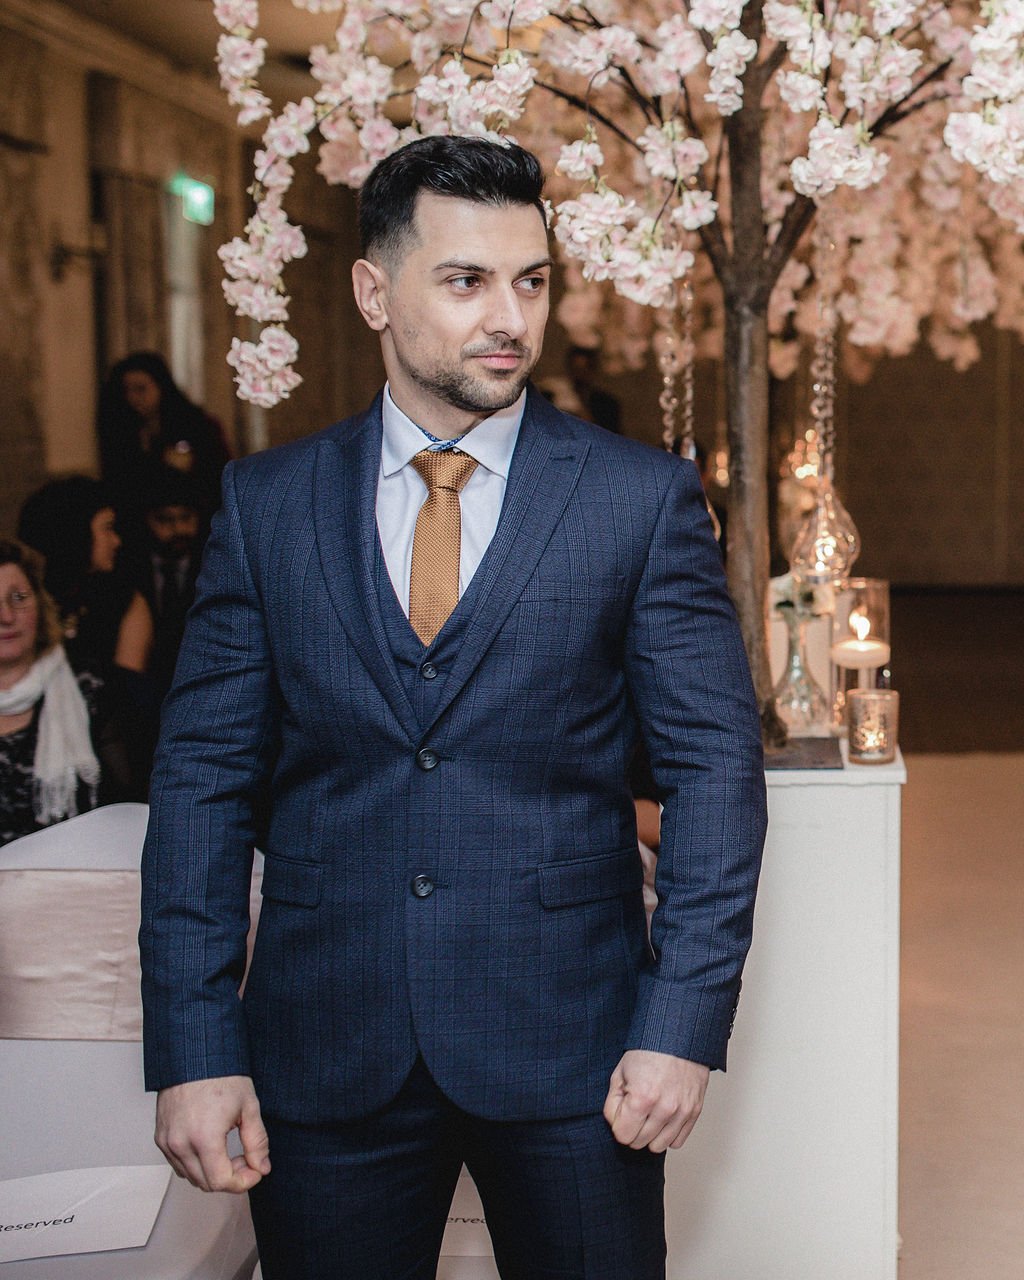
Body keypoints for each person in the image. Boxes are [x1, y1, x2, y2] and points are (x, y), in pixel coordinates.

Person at [140, 136, 767, 1280]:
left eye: (531, 279)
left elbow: (714, 768)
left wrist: (680, 1022)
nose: (511, 318)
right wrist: (193, 1044)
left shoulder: (638, 499)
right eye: (467, 279)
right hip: (324, 1041)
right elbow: (200, 781)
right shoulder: (265, 503)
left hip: (578, 1047)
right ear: (374, 290)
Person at [19, 477, 156, 799]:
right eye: (107, 528)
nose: (117, 540)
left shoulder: (123, 600)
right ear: (75, 533)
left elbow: (126, 698)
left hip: (106, 745)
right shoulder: (31, 603)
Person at [0, 539, 130, 847]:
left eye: (18, 598)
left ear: (41, 605)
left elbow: (129, 801)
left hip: (73, 879)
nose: (5, 616)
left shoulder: (90, 686)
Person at [97, 351, 230, 533]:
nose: (133, 398)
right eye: (127, 391)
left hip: (194, 518)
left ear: (160, 386)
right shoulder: (120, 429)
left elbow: (219, 474)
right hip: (141, 522)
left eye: (141, 389)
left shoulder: (195, 424)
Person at [566, 344, 623, 433]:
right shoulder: (557, 400)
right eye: (576, 369)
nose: (579, 375)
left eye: (584, 370)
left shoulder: (607, 404)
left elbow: (612, 437)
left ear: (592, 370)